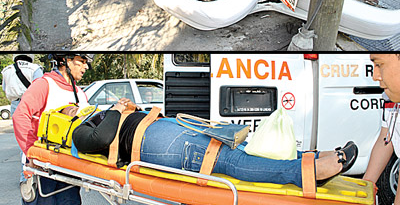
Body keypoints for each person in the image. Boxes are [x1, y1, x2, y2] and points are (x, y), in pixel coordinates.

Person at [69, 100, 358, 189]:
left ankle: (312, 157)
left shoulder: (96, 113)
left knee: (247, 145)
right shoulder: (78, 131)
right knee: (227, 159)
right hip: (154, 143)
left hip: (162, 130)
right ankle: (304, 173)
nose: (71, 108)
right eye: (66, 109)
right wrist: (117, 111)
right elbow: (102, 139)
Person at [13, 53, 92, 205]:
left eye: (86, 62)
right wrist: (31, 152)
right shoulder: (44, 84)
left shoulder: (81, 94)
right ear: (65, 61)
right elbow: (21, 116)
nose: (85, 66)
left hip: (70, 168)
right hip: (42, 167)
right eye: (81, 62)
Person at [364, 54, 400, 205]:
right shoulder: (390, 98)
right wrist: (366, 187)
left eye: (379, 65)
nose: (374, 76)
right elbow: (386, 139)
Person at [1, 54, 43, 184]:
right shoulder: (35, 68)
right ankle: (36, 174)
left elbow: (4, 88)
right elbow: (41, 87)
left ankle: (25, 176)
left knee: (22, 143)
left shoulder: (7, 70)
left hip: (15, 105)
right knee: (37, 140)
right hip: (32, 105)